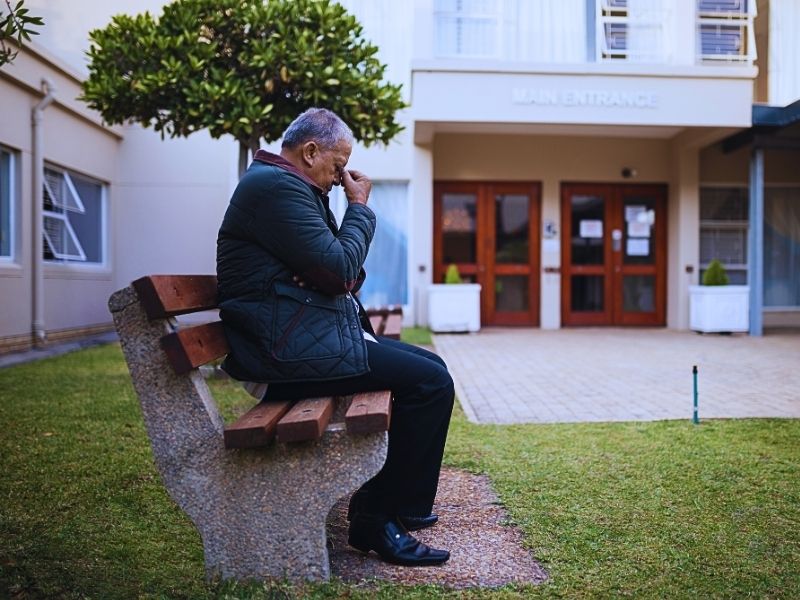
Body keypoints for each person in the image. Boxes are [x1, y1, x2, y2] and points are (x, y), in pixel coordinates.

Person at [216, 107, 455, 567]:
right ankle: (374, 518)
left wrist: (329, 269)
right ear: (310, 152)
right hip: (282, 354)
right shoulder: (274, 189)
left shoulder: (291, 187)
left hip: (304, 335)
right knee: (429, 385)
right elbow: (340, 266)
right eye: (337, 165)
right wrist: (359, 208)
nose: (341, 176)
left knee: (435, 369)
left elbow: (343, 275)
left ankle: (405, 503)